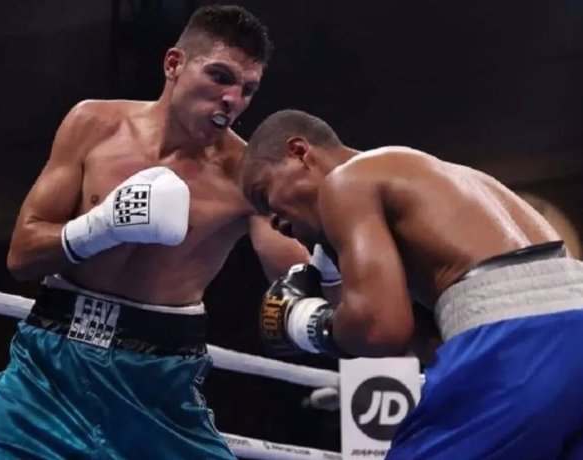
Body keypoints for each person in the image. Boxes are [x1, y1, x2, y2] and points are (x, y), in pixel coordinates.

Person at [0, 7, 314, 460]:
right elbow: (22, 255)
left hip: (158, 386)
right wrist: (100, 226)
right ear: (174, 64)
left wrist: (322, 293)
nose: (233, 99)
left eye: (248, 89)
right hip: (48, 369)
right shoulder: (93, 124)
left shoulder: (246, 174)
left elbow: (291, 267)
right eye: (221, 77)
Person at [240, 109, 583, 459]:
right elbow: (427, 344)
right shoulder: (437, 185)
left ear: (299, 152)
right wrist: (332, 276)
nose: (276, 223)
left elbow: (380, 330)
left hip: (518, 342)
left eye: (265, 197)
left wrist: (304, 322)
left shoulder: (346, 181)